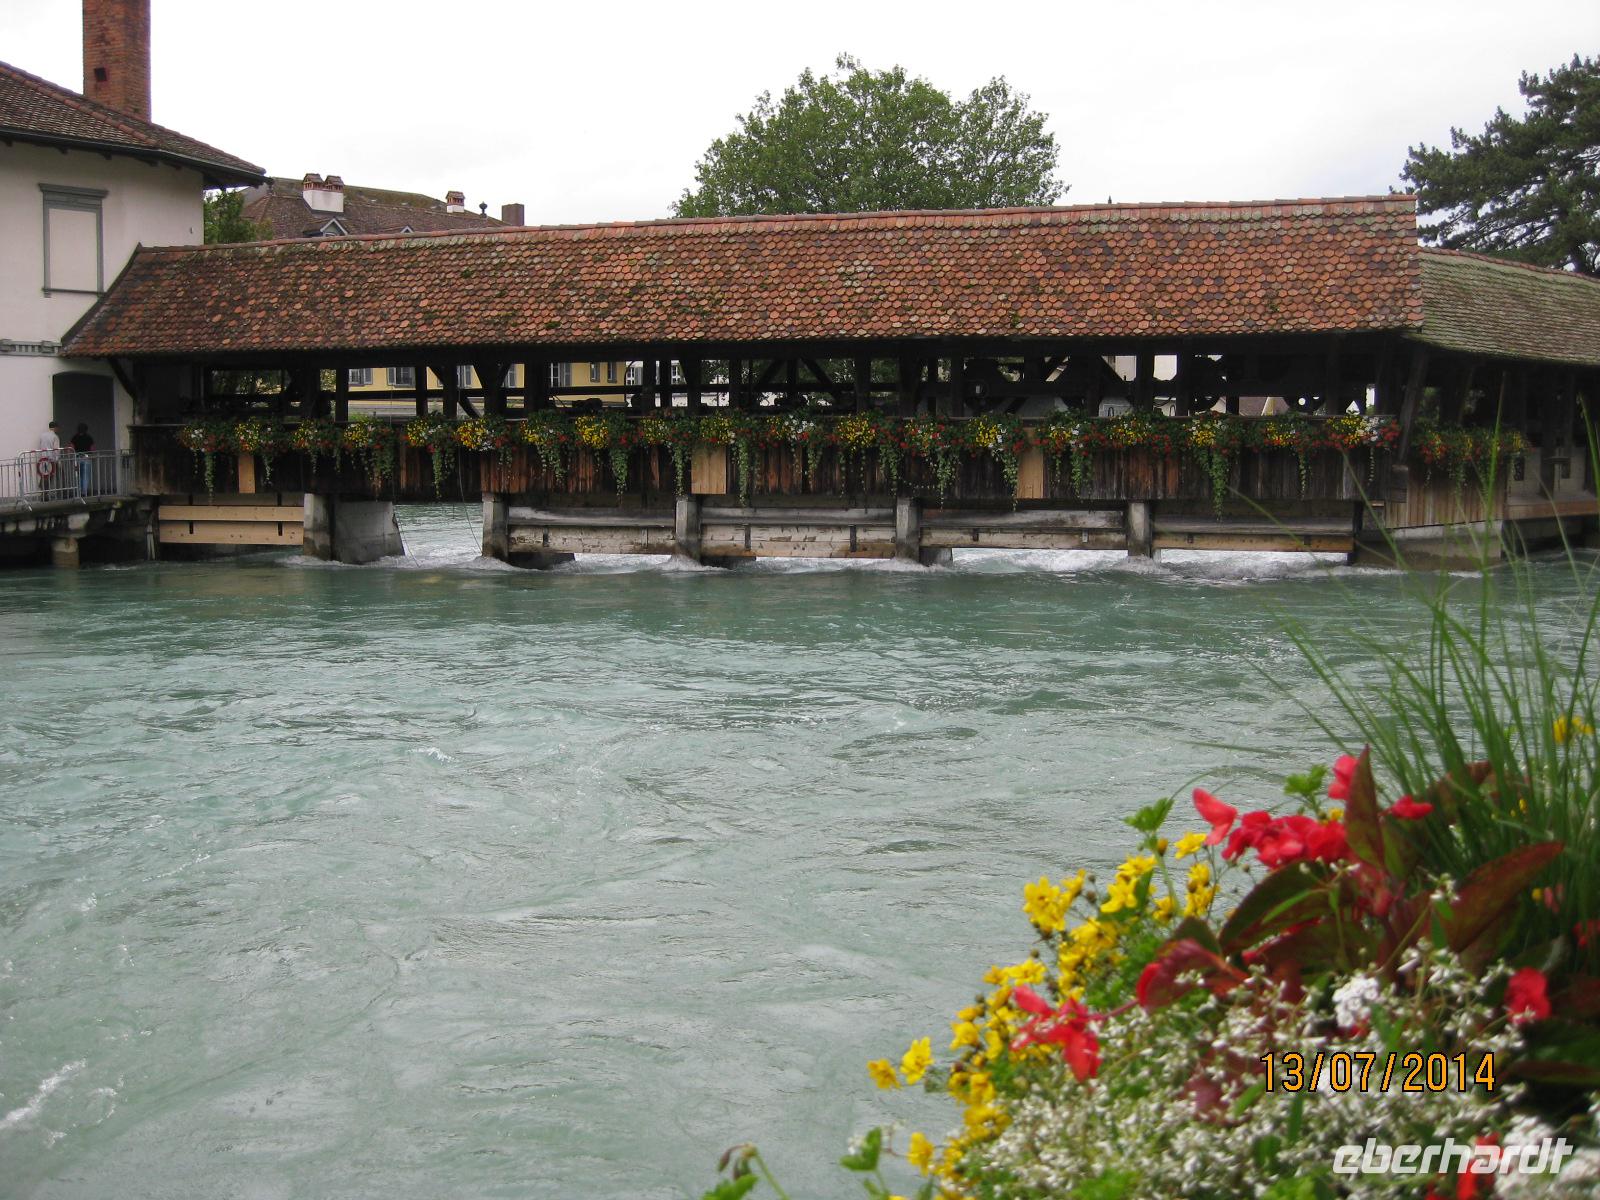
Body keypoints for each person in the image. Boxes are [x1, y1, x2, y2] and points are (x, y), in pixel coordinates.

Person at [32, 421, 62, 497]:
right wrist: (58, 460)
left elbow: (40, 446)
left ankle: (43, 490)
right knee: (51, 476)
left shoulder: (42, 435)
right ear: (55, 428)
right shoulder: (55, 436)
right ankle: (49, 493)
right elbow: (56, 450)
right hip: (52, 459)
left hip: (43, 459)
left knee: (45, 475)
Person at [70, 423, 94, 495]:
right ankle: (84, 492)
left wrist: (73, 456)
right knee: (85, 476)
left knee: (79, 476)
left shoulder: (74, 437)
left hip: (77, 458)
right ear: (86, 429)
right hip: (86, 457)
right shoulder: (89, 437)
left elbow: (71, 448)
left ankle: (79, 491)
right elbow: (92, 449)